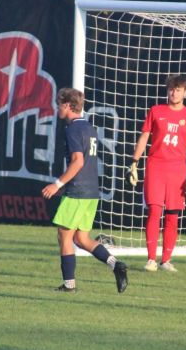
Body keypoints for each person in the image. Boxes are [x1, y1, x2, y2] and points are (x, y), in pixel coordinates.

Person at [42, 87, 128, 293]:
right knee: (80, 238)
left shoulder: (72, 129)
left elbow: (77, 161)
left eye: (58, 104)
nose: (57, 109)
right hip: (91, 191)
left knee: (64, 235)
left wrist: (58, 184)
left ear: (67, 105)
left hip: (78, 191)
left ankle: (69, 285)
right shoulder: (90, 128)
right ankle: (116, 265)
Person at [126, 74, 186, 272]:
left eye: (178, 89)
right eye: (171, 89)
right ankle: (151, 259)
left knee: (172, 215)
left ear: (185, 92)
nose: (173, 92)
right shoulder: (156, 111)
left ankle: (166, 260)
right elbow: (144, 138)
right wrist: (134, 163)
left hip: (177, 170)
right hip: (155, 167)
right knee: (154, 210)